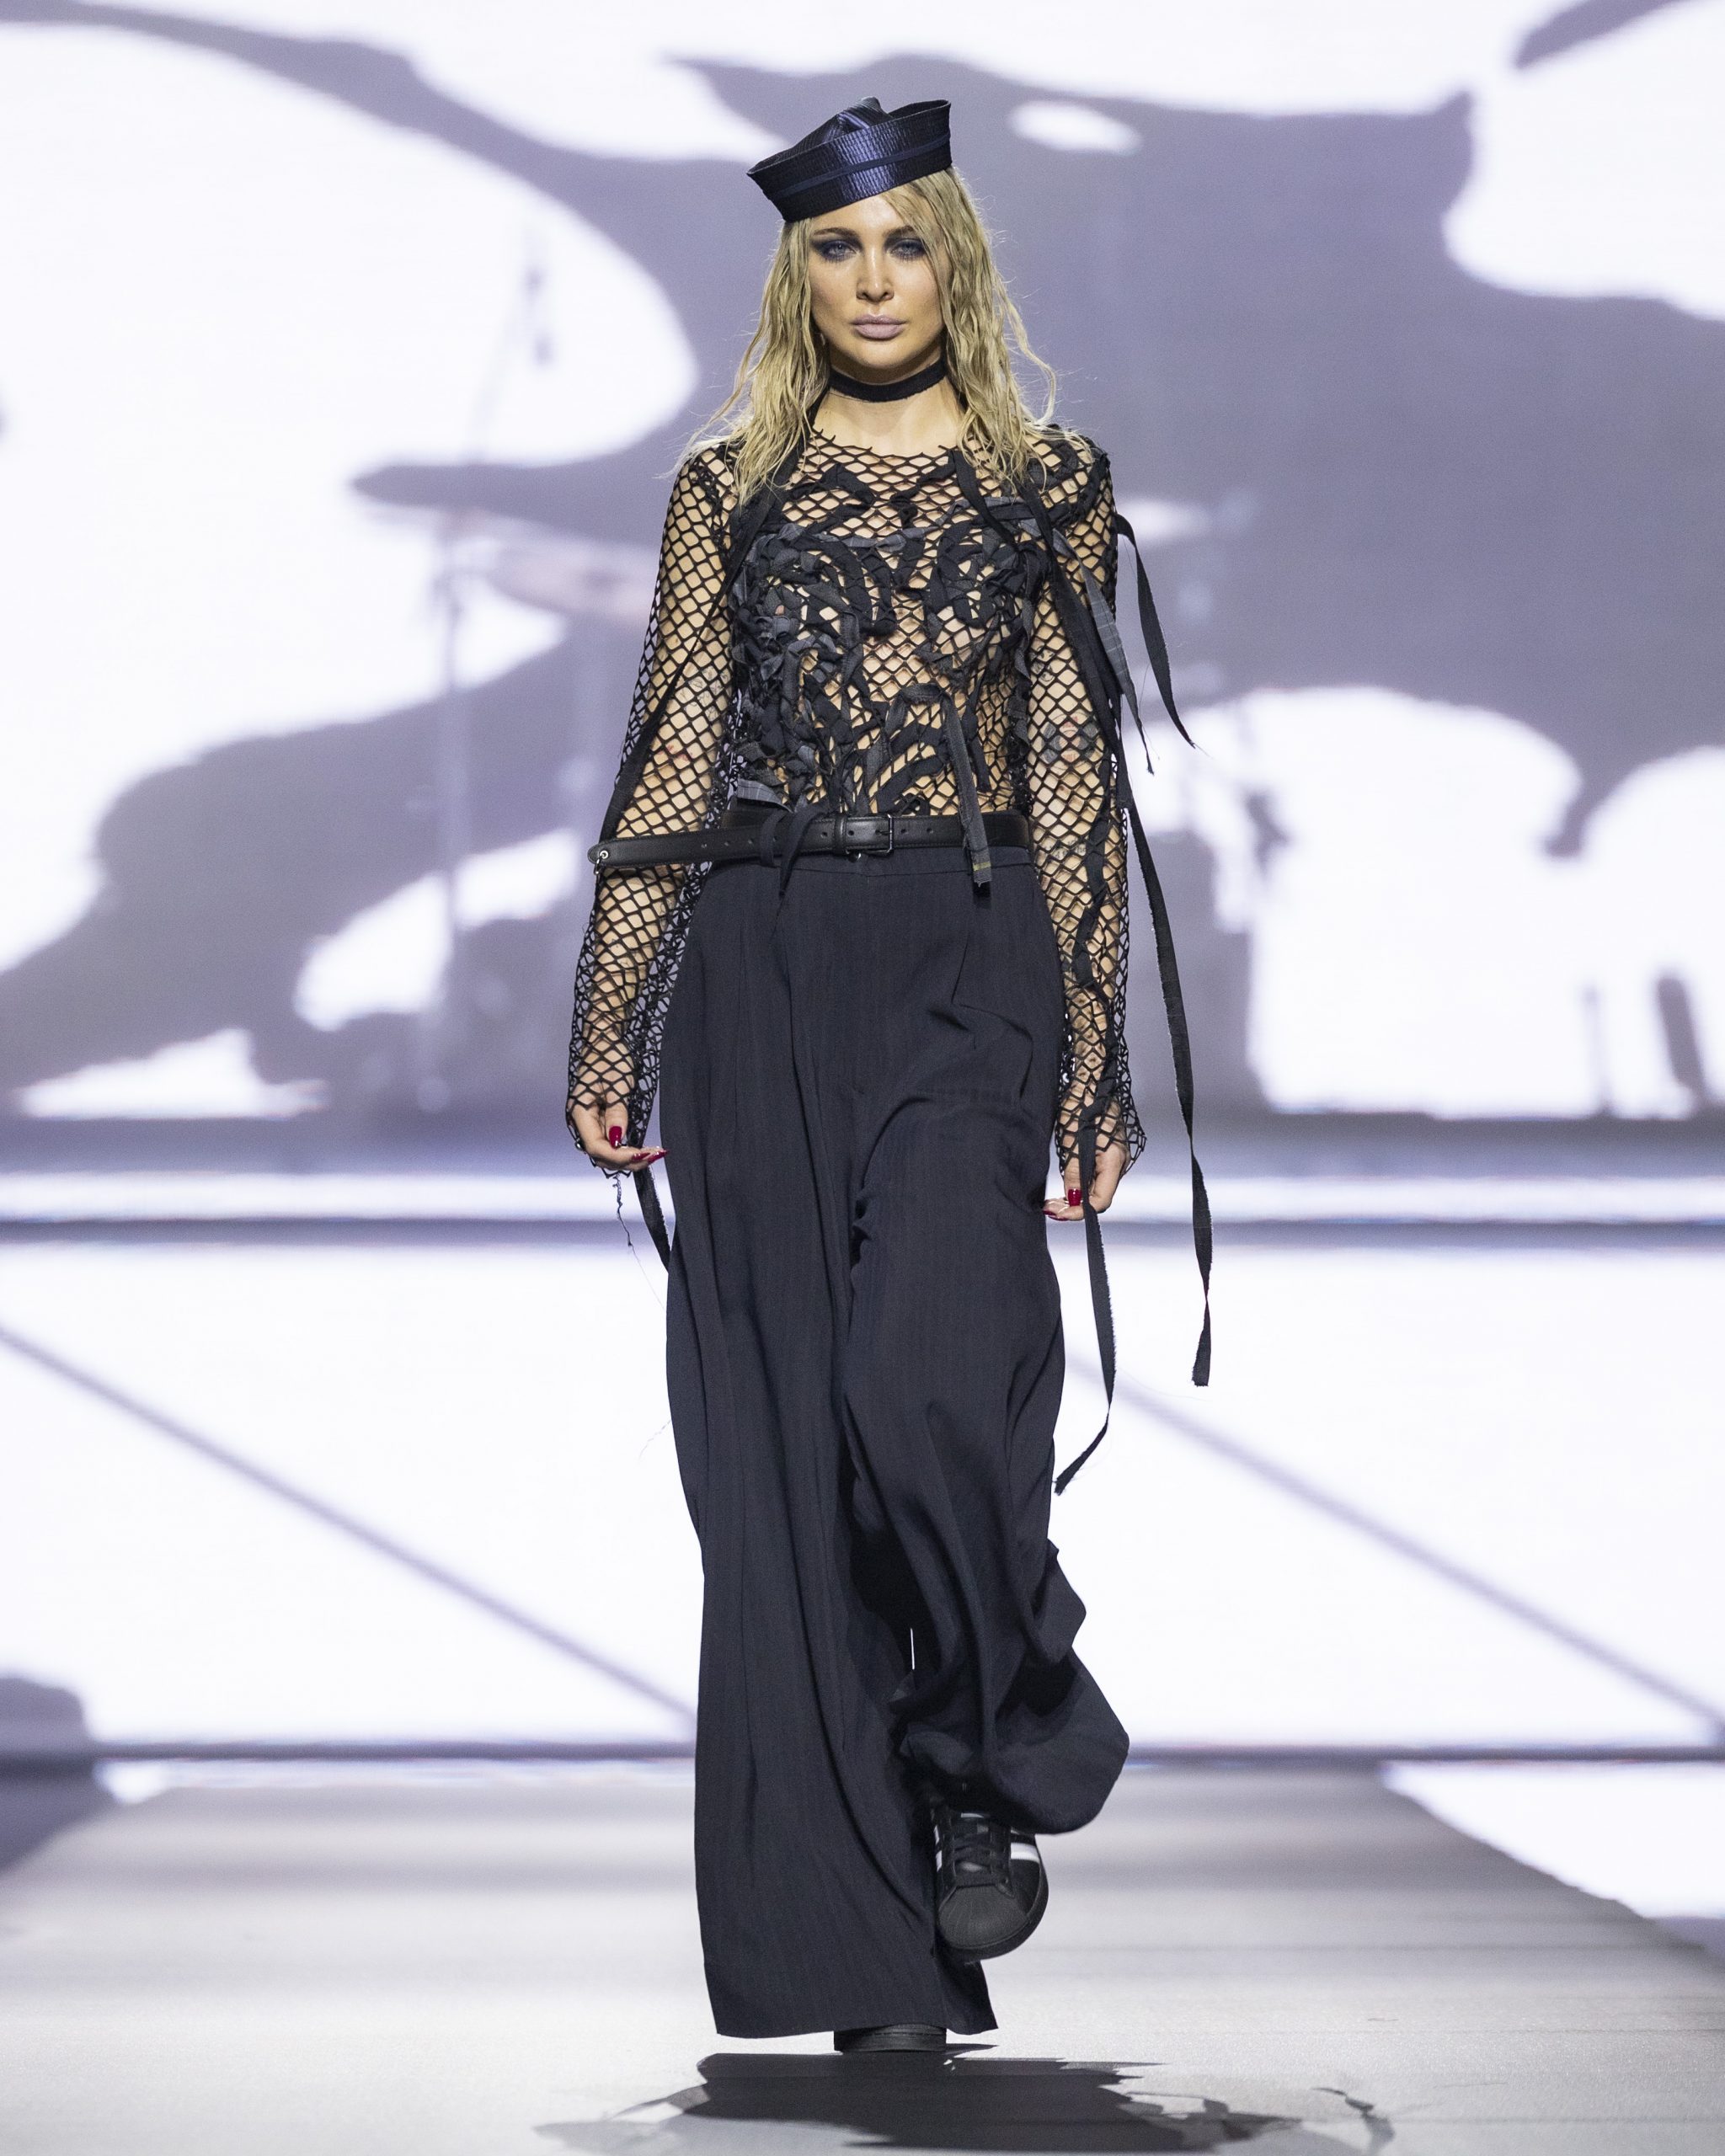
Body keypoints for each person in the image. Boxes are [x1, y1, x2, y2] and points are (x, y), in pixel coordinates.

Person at [567, 95, 1209, 2053]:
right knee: (774, 1459)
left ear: (955, 264)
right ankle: (867, 1962)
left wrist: (1096, 1050)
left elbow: (1074, 772)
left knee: (927, 1378)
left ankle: (975, 1727)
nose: (870, 281)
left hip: (965, 951)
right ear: (798, 277)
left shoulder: (1045, 485)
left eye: (902, 244)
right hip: (759, 963)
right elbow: (676, 746)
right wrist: (612, 1008)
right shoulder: (730, 490)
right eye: (836, 250)